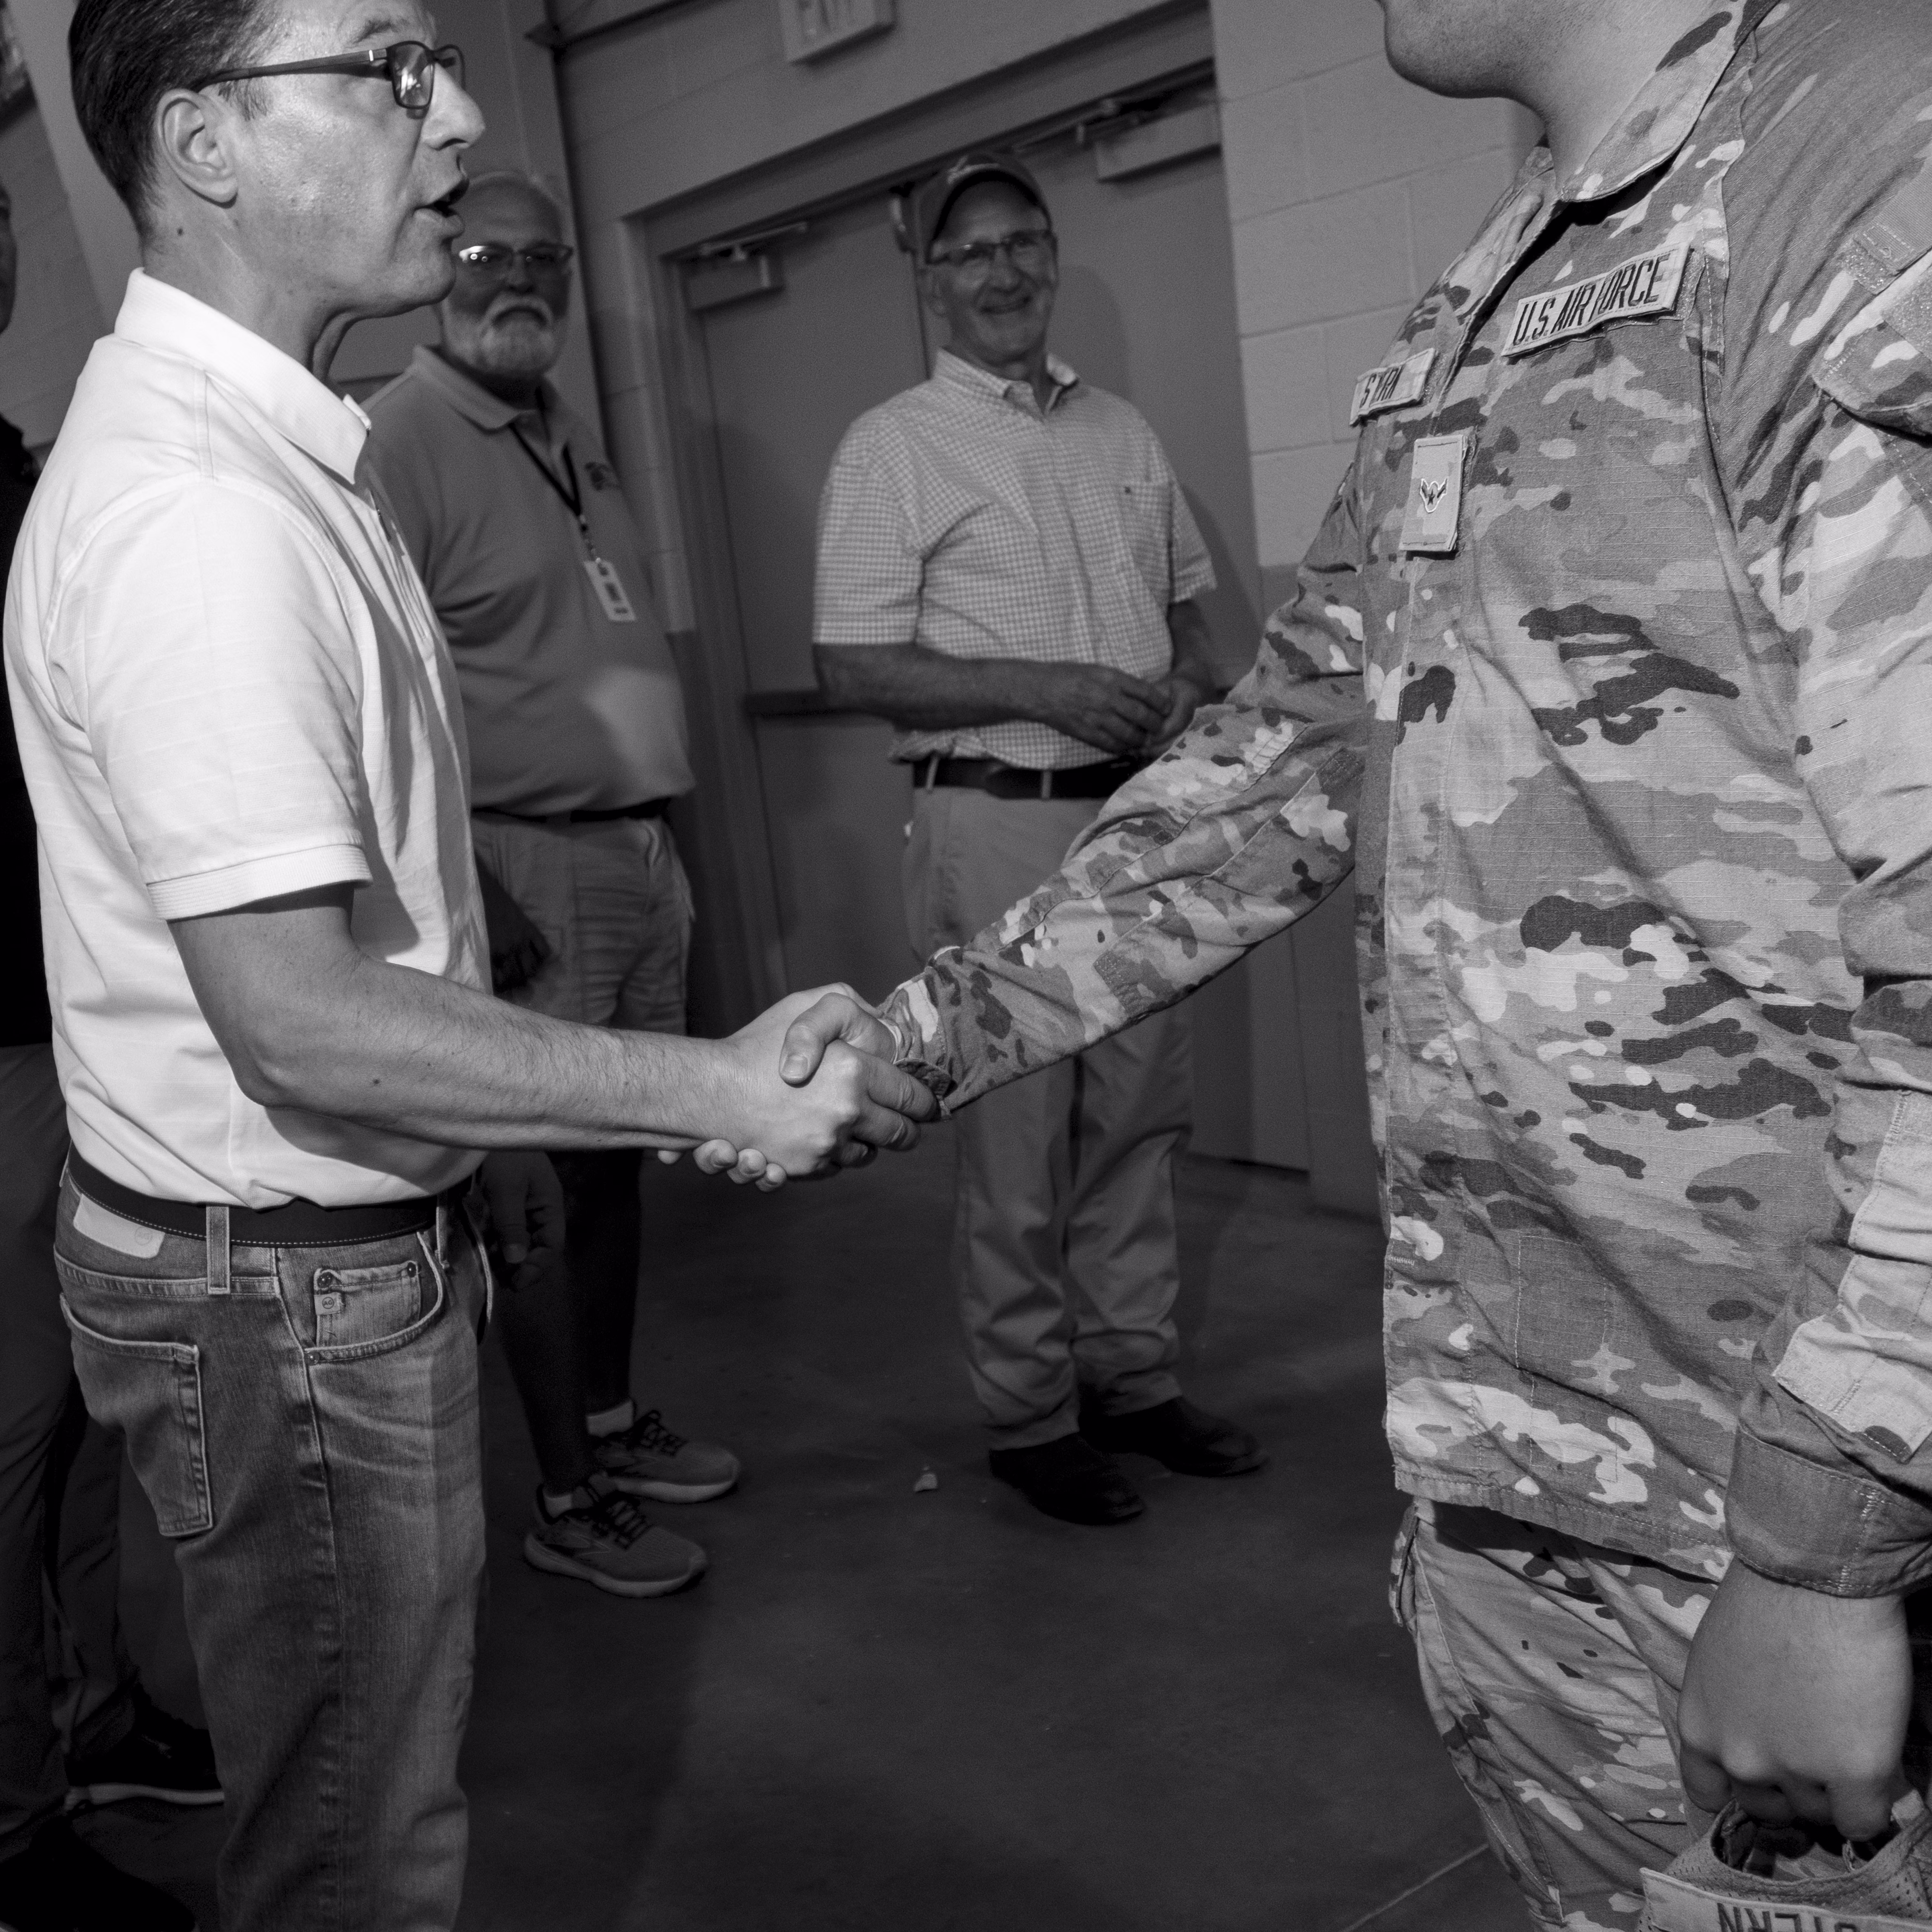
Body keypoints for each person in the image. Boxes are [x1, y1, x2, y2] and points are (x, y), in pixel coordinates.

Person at [778, 0, 1932, 1921]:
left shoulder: (1859, 182)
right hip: (1547, 1468)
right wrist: (909, 1046)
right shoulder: (1494, 295)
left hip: (1791, 1500)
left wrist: (1831, 1539)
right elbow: (1280, 762)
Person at [14, 6, 932, 1928]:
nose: (460, 117)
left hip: (301, 1246)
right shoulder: (202, 509)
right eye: (389, 67)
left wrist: (496, 1130)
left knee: (363, 1806)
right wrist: (711, 1085)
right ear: (206, 144)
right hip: (283, 1297)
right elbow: (299, 1015)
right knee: (360, 1857)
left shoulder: (277, 449)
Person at [813, 152, 1264, 1527]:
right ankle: (1029, 1415)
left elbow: (1189, 620)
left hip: (1134, 825)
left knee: (1138, 1119)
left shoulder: (1122, 432)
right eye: (971, 253)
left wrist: (1188, 687)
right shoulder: (893, 448)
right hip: (994, 822)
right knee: (1018, 1137)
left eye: (1024, 243)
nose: (1002, 271)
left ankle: (1135, 1381)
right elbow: (851, 665)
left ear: (1053, 260)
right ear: (932, 285)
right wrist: (1048, 690)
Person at [366, 171, 734, 1602]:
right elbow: (383, 699)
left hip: (633, 852)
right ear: (438, 267)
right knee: (535, 1191)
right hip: (521, 864)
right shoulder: (404, 438)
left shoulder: (565, 432)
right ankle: (568, 1498)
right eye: (483, 253)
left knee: (616, 1163)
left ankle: (612, 1420)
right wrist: (471, 888)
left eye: (543, 258)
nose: (515, 280)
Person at [0, 171, 219, 1932]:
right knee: (7, 1453)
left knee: (78, 1425)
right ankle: (12, 1838)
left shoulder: (24, 472)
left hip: (66, 1038)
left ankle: (92, 1722)